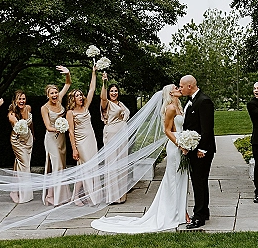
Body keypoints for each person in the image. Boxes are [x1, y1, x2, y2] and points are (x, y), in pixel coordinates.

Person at [91, 84, 190, 233]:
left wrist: (187, 140)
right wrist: (180, 144)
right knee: (173, 180)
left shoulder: (179, 106)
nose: (178, 88)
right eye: (176, 87)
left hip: (182, 145)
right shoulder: (170, 108)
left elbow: (179, 128)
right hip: (175, 147)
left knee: (181, 179)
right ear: (170, 92)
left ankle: (182, 211)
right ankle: (173, 213)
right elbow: (167, 131)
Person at [180, 75, 216, 229]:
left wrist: (202, 148)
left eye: (181, 86)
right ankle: (204, 211)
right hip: (194, 148)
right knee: (199, 181)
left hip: (202, 150)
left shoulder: (204, 101)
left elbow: (207, 128)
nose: (180, 88)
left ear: (189, 86)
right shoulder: (191, 101)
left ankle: (199, 216)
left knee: (199, 182)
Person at [66, 66, 102, 206]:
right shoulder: (70, 112)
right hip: (80, 142)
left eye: (81, 95)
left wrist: (94, 73)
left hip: (91, 139)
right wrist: (74, 149)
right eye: (78, 96)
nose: (81, 97)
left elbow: (92, 89)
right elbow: (70, 131)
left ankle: (79, 195)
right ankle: (84, 195)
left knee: (88, 168)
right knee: (85, 168)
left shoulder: (85, 107)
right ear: (73, 99)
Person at [41, 65, 72, 206]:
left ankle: (56, 195)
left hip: (61, 138)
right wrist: (59, 127)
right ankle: (55, 198)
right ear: (47, 95)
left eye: (56, 92)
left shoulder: (59, 99)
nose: (54, 95)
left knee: (62, 166)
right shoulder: (44, 108)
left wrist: (67, 73)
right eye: (52, 93)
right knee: (56, 165)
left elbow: (68, 83)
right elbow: (47, 126)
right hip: (51, 138)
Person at [100, 72, 130, 204]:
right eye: (111, 91)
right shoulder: (106, 103)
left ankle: (121, 195)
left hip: (122, 135)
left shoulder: (121, 103)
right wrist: (104, 83)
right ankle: (112, 196)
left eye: (115, 91)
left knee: (121, 163)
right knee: (111, 163)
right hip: (111, 134)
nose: (113, 93)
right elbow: (102, 96)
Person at [8, 90, 35, 203]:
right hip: (18, 141)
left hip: (28, 139)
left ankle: (14, 191)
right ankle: (24, 194)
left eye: (23, 98)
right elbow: (17, 126)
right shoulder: (12, 114)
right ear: (15, 101)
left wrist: (33, 134)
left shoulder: (28, 108)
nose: (22, 101)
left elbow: (31, 123)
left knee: (18, 165)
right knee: (24, 166)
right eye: (19, 99)